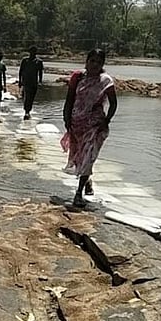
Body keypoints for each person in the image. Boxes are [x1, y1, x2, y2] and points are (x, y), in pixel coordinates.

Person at [61, 49, 117, 207]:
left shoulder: (105, 81)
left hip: (95, 125)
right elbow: (70, 99)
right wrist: (66, 118)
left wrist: (107, 120)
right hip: (77, 123)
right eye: (92, 61)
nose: (95, 65)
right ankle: (87, 180)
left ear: (102, 65)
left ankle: (78, 194)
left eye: (98, 62)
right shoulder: (78, 78)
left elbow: (113, 103)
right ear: (86, 61)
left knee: (89, 156)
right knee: (79, 156)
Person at [18, 46, 44, 120]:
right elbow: (21, 71)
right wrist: (20, 81)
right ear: (29, 52)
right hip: (26, 81)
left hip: (34, 82)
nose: (32, 53)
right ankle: (26, 111)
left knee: (32, 97)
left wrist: (40, 82)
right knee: (27, 96)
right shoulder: (25, 60)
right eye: (31, 52)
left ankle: (28, 110)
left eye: (34, 52)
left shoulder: (39, 62)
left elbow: (40, 73)